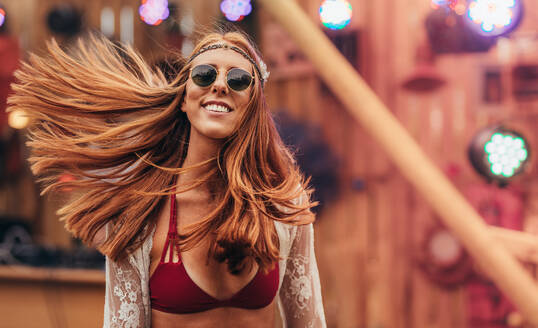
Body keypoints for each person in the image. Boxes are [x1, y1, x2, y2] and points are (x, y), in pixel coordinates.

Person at [8, 29, 326, 327]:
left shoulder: (282, 204)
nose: (220, 85)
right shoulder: (142, 211)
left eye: (239, 79)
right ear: (184, 99)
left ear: (254, 104)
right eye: (204, 74)